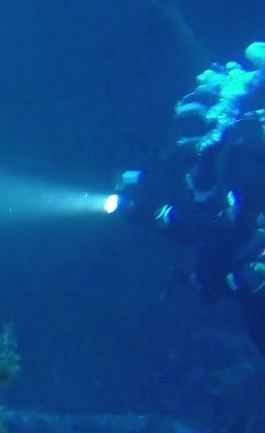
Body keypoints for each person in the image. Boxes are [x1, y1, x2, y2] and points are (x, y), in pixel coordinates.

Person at [112, 41, 265, 352]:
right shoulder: (226, 156)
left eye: (188, 127)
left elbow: (223, 223)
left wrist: (161, 217)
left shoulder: (235, 157)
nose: (182, 140)